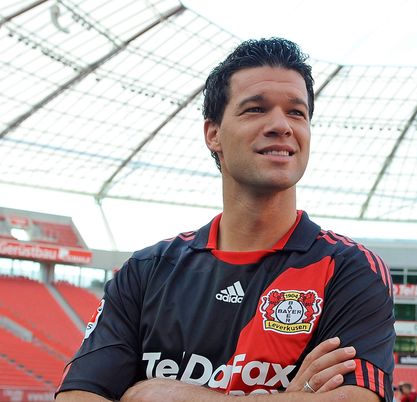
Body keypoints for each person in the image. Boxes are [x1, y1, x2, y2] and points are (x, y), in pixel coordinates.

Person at [55, 38, 395, 401]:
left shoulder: (349, 269)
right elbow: (78, 396)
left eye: (297, 112)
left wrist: (164, 394)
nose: (281, 125)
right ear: (213, 134)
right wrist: (289, 397)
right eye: (256, 109)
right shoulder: (145, 270)